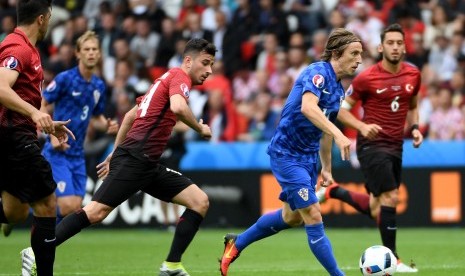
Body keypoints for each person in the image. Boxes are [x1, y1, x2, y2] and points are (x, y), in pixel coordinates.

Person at [22, 38, 216, 276]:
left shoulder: (164, 79)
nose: (209, 70)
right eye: (205, 63)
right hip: (136, 159)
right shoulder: (179, 77)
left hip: (146, 163)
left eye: (212, 65)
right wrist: (200, 128)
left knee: (199, 201)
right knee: (95, 212)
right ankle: (36, 251)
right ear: (189, 60)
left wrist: (115, 151)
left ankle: (172, 265)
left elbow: (130, 117)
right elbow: (177, 107)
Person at [220, 28, 363, 276]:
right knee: (313, 214)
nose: (359, 59)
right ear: (337, 53)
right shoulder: (317, 72)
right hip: (286, 154)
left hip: (308, 158)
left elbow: (325, 129)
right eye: (354, 53)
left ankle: (238, 242)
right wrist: (341, 134)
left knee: (292, 217)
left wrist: (326, 168)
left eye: (361, 54)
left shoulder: (339, 89)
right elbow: (309, 108)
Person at [316, 23, 422, 273]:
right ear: (380, 47)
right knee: (391, 197)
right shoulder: (366, 78)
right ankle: (393, 260)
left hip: (396, 145)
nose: (395, 47)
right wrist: (362, 128)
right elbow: (341, 111)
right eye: (390, 43)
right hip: (371, 146)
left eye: (399, 43)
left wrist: (415, 127)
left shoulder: (413, 75)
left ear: (405, 47)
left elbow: (413, 103)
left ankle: (334, 192)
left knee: (377, 207)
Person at [1, 31, 119, 239]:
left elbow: (95, 117)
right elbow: (43, 103)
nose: (91, 53)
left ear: (100, 54)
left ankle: (20, 211)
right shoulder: (65, 79)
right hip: (58, 150)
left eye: (95, 50)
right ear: (78, 53)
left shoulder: (98, 85)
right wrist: (52, 135)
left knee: (74, 208)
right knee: (66, 206)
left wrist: (107, 125)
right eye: (87, 49)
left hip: (77, 154)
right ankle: (33, 235)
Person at [0, 0, 74, 275]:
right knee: (47, 203)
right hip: (14, 137)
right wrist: (34, 113)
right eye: (50, 17)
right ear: (42, 19)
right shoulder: (19, 47)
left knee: (15, 212)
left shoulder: (25, 47)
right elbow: (0, 86)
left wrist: (46, 123)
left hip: (14, 135)